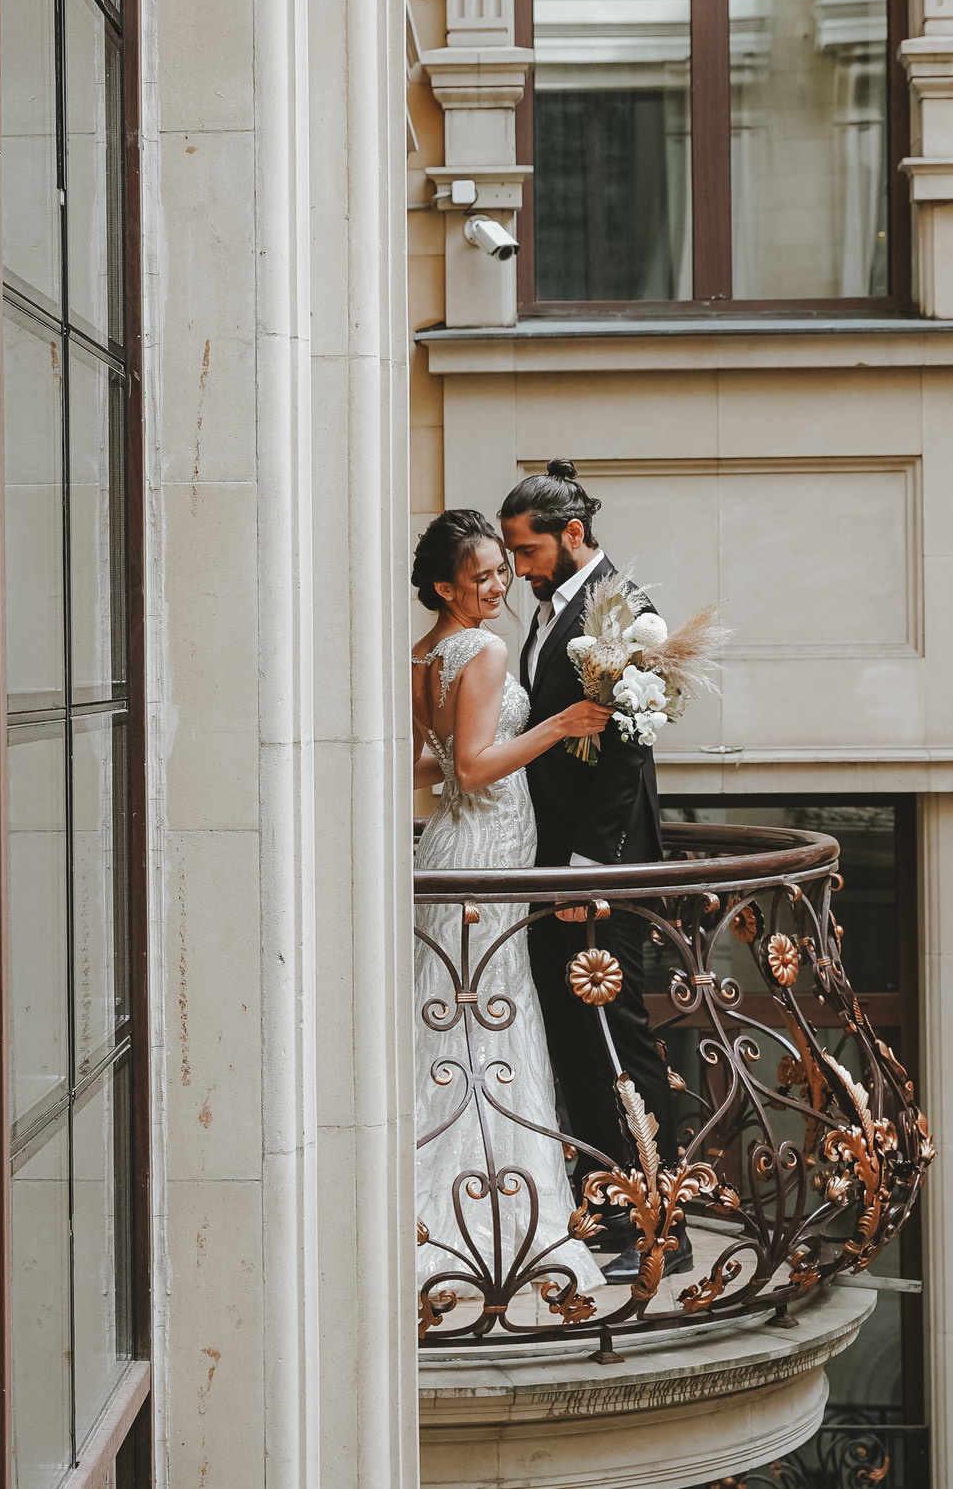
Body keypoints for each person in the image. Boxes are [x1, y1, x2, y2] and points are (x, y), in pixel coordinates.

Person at [409, 510, 614, 1309]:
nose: (498, 586)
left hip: (450, 848)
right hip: (486, 849)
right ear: (443, 585)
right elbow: (472, 764)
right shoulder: (487, 649)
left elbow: (428, 768)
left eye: (502, 570)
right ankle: (497, 1215)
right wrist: (560, 724)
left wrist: (461, 777)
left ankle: (440, 1201)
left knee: (451, 1015)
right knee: (492, 1012)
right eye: (482, 576)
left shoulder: (423, 653)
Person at [497, 459, 687, 1284]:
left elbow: (627, 760)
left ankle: (663, 1220)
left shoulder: (628, 612)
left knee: (620, 1035)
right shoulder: (547, 616)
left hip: (596, 870)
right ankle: (610, 1203)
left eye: (527, 549)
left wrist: (585, 871)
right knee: (575, 1035)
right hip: (548, 863)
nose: (518, 567)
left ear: (572, 534)